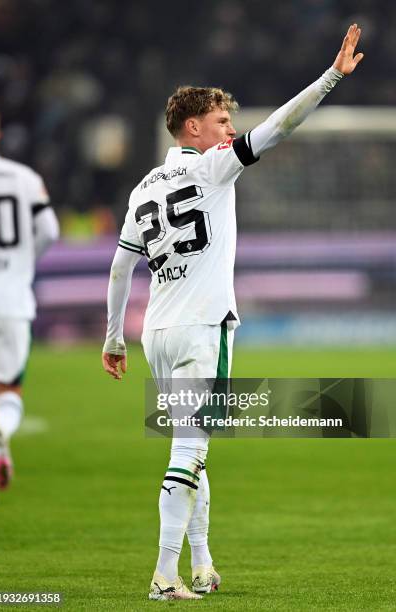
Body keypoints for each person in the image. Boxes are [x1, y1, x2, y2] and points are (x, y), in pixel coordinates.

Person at [102, 24, 363, 600]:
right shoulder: (215, 165)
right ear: (193, 127)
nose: (231, 130)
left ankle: (202, 564)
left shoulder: (143, 188)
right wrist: (331, 78)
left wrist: (113, 338)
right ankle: (164, 577)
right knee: (189, 451)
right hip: (202, 328)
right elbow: (280, 126)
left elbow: (122, 268)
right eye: (222, 121)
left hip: (157, 332)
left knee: (192, 450)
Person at [0, 105, 59, 503]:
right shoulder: (24, 178)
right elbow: (48, 230)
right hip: (12, 297)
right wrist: (20, 262)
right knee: (7, 390)